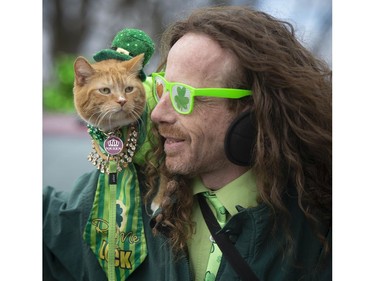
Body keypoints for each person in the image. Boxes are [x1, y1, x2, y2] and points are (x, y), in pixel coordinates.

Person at [43, 5, 331, 281]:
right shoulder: (124, 196)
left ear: (253, 108)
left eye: (183, 96)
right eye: (161, 88)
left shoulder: (319, 227)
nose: (157, 113)